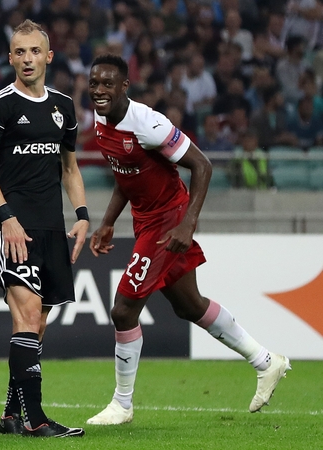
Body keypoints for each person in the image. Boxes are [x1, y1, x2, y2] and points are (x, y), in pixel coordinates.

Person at [84, 54, 290, 426]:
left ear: (124, 87)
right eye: (94, 83)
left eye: (107, 84)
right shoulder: (101, 119)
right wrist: (108, 222)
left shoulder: (148, 123)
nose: (99, 90)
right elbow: (125, 176)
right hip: (145, 218)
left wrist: (188, 223)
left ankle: (122, 404)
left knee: (122, 310)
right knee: (190, 305)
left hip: (168, 221)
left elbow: (203, 165)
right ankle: (266, 361)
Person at [0, 19, 89, 438]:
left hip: (52, 229)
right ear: (10, 58)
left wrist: (82, 215)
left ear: (48, 56)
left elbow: (70, 167)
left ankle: (9, 415)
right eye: (19, 52)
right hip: (14, 229)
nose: (27, 59)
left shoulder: (63, 107)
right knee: (26, 315)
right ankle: (37, 420)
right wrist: (7, 220)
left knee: (37, 325)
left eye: (34, 51)